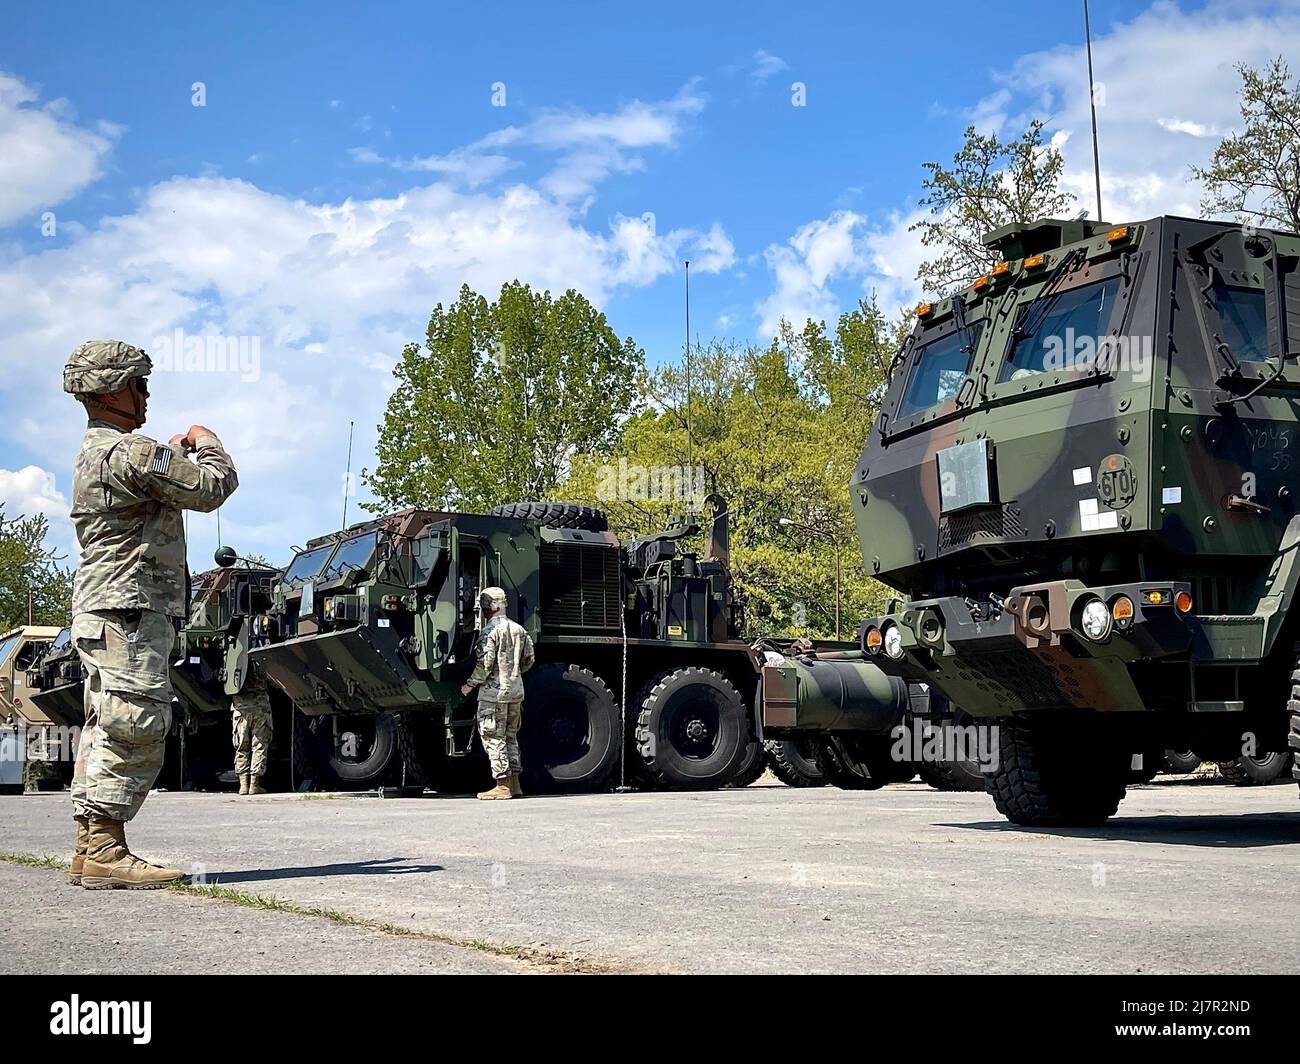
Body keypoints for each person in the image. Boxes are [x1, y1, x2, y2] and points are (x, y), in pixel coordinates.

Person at [63, 340, 238, 889]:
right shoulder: (131, 454)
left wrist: (169, 457)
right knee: (135, 721)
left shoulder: (104, 454)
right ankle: (107, 852)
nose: (145, 395)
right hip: (130, 610)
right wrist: (206, 442)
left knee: (106, 724)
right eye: (138, 384)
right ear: (111, 390)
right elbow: (213, 487)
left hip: (107, 608)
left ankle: (94, 846)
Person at [461, 587, 534, 799]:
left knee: (493, 736)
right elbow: (529, 659)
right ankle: (515, 784)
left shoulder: (489, 631)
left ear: (489, 607)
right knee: (511, 737)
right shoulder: (519, 629)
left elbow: (484, 664)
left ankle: (502, 785)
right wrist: (514, 674)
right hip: (515, 691)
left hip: (494, 694)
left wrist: (470, 685)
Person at [231, 667, 273, 795]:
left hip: (240, 708)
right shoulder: (261, 659)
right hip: (260, 707)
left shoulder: (236, 659)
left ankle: (243, 785)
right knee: (259, 745)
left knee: (241, 746)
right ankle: (254, 785)